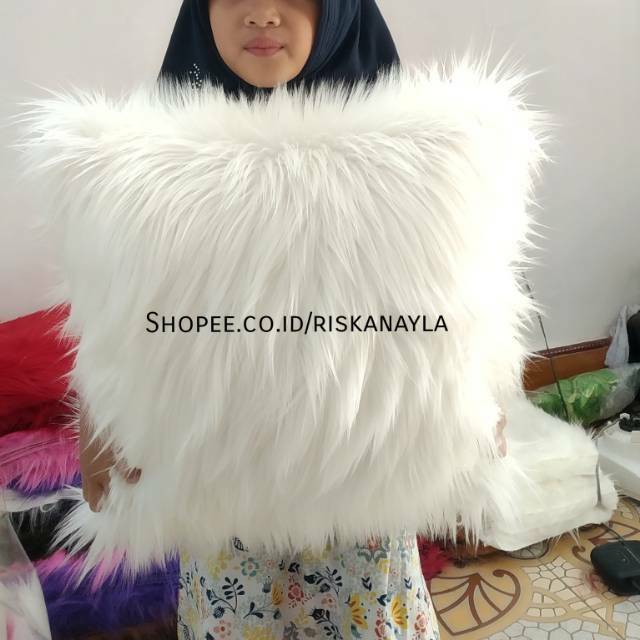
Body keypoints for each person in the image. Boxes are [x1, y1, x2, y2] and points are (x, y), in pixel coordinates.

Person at [78, 1, 508, 637]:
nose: (261, 14)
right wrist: (102, 416)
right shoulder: (153, 166)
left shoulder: (407, 162)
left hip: (357, 491)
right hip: (227, 496)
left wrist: (475, 398)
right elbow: (124, 309)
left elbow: (448, 300)